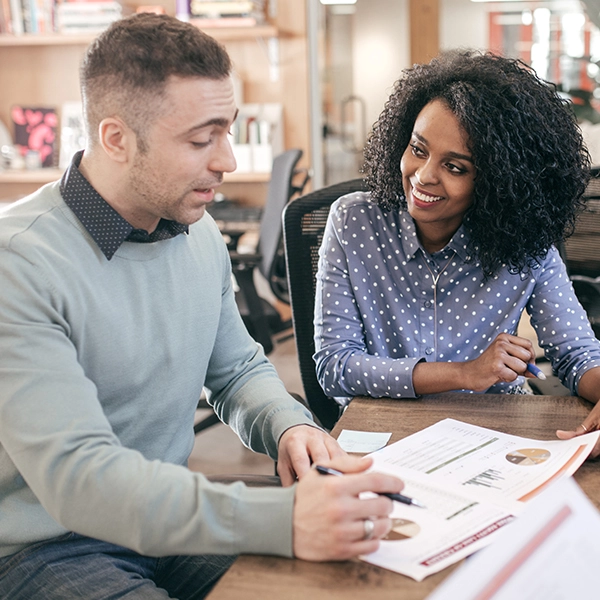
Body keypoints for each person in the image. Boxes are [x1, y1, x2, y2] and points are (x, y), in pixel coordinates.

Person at [0, 14, 404, 600]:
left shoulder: (198, 232)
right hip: (46, 546)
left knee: (339, 584)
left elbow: (236, 370)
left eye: (229, 131)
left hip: (164, 517)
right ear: (115, 138)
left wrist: (289, 426)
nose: (228, 161)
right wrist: (282, 519)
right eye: (200, 139)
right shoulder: (19, 263)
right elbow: (78, 479)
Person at [313, 50, 600, 456]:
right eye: (418, 148)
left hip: (493, 434)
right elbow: (335, 367)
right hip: (385, 434)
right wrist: (465, 372)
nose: (424, 175)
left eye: (456, 167)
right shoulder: (355, 221)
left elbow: (576, 353)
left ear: (498, 184)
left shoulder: (525, 240)